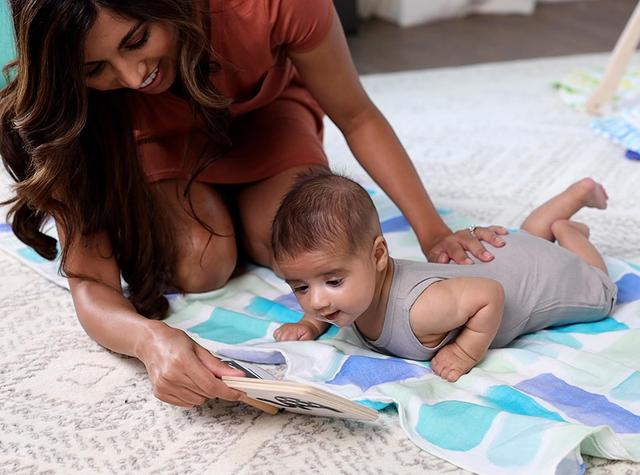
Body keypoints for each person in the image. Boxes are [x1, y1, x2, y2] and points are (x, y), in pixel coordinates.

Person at [0, 0, 507, 408]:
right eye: (95, 68)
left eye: (136, 40)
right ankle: (211, 209)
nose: (133, 77)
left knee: (302, 243)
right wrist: (149, 340)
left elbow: (356, 114)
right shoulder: (72, 110)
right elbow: (91, 283)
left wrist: (432, 230)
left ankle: (240, 209)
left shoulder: (269, 5)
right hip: (155, 140)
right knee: (200, 264)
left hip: (267, 122)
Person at [272, 171, 618, 382]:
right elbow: (321, 301)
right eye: (301, 287)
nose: (317, 301)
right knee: (528, 239)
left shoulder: (420, 309)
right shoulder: (349, 292)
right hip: (503, 258)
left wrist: (466, 352)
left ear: (378, 255)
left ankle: (570, 232)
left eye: (332, 282)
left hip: (539, 279)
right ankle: (573, 196)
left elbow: (490, 294)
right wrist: (313, 324)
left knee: (602, 295)